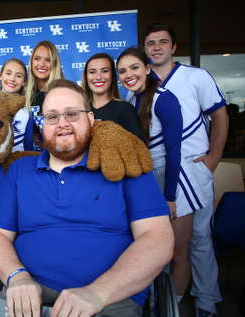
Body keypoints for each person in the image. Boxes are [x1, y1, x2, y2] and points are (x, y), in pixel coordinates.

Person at [0, 79, 174, 317]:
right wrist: (16, 276)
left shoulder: (125, 164)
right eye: (52, 116)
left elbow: (158, 239)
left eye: (72, 114)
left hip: (110, 298)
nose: (62, 123)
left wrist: (98, 293)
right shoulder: (20, 169)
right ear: (42, 124)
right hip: (28, 293)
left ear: (91, 119)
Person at [144, 23, 228, 317]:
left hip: (194, 168)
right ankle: (168, 301)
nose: (156, 47)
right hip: (158, 171)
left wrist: (214, 157)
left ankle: (206, 300)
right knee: (163, 239)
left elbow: (220, 115)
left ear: (173, 47)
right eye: (151, 43)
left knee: (200, 237)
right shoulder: (142, 83)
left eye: (162, 42)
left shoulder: (196, 76)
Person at [117, 47, 196, 307]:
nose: (129, 74)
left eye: (135, 67)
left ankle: (173, 308)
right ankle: (155, 306)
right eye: (122, 71)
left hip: (174, 179)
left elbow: (175, 151)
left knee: (176, 254)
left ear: (148, 68)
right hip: (149, 176)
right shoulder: (131, 99)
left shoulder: (165, 99)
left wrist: (171, 197)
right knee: (154, 253)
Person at [81, 52, 145, 142]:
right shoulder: (80, 111)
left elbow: (138, 149)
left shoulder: (125, 109)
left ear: (112, 77)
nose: (98, 77)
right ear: (86, 77)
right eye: (92, 72)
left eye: (104, 71)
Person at [24, 40, 65, 150]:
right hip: (33, 158)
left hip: (61, 155)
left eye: (48, 60)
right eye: (37, 58)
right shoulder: (25, 96)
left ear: (55, 63)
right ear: (31, 61)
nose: (41, 64)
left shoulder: (66, 93)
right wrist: (42, 144)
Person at [0, 58, 34, 152]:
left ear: (24, 82)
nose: (12, 79)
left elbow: (28, 148)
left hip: (16, 163)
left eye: (18, 76)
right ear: (0, 75)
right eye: (8, 73)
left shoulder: (26, 114)